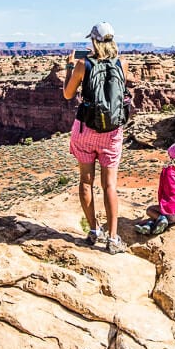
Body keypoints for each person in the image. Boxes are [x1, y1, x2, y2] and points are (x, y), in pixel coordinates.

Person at [63, 21, 130, 254]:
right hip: (112, 132)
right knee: (109, 185)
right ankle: (112, 239)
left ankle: (93, 231)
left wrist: (69, 68)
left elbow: (68, 94)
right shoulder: (122, 63)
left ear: (93, 40)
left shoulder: (83, 64)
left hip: (85, 131)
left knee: (86, 182)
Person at [135, 141, 175, 236]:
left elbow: (161, 191)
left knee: (150, 210)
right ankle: (151, 225)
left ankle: (153, 224)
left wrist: (163, 207)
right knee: (163, 217)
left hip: (171, 212)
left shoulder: (166, 171)